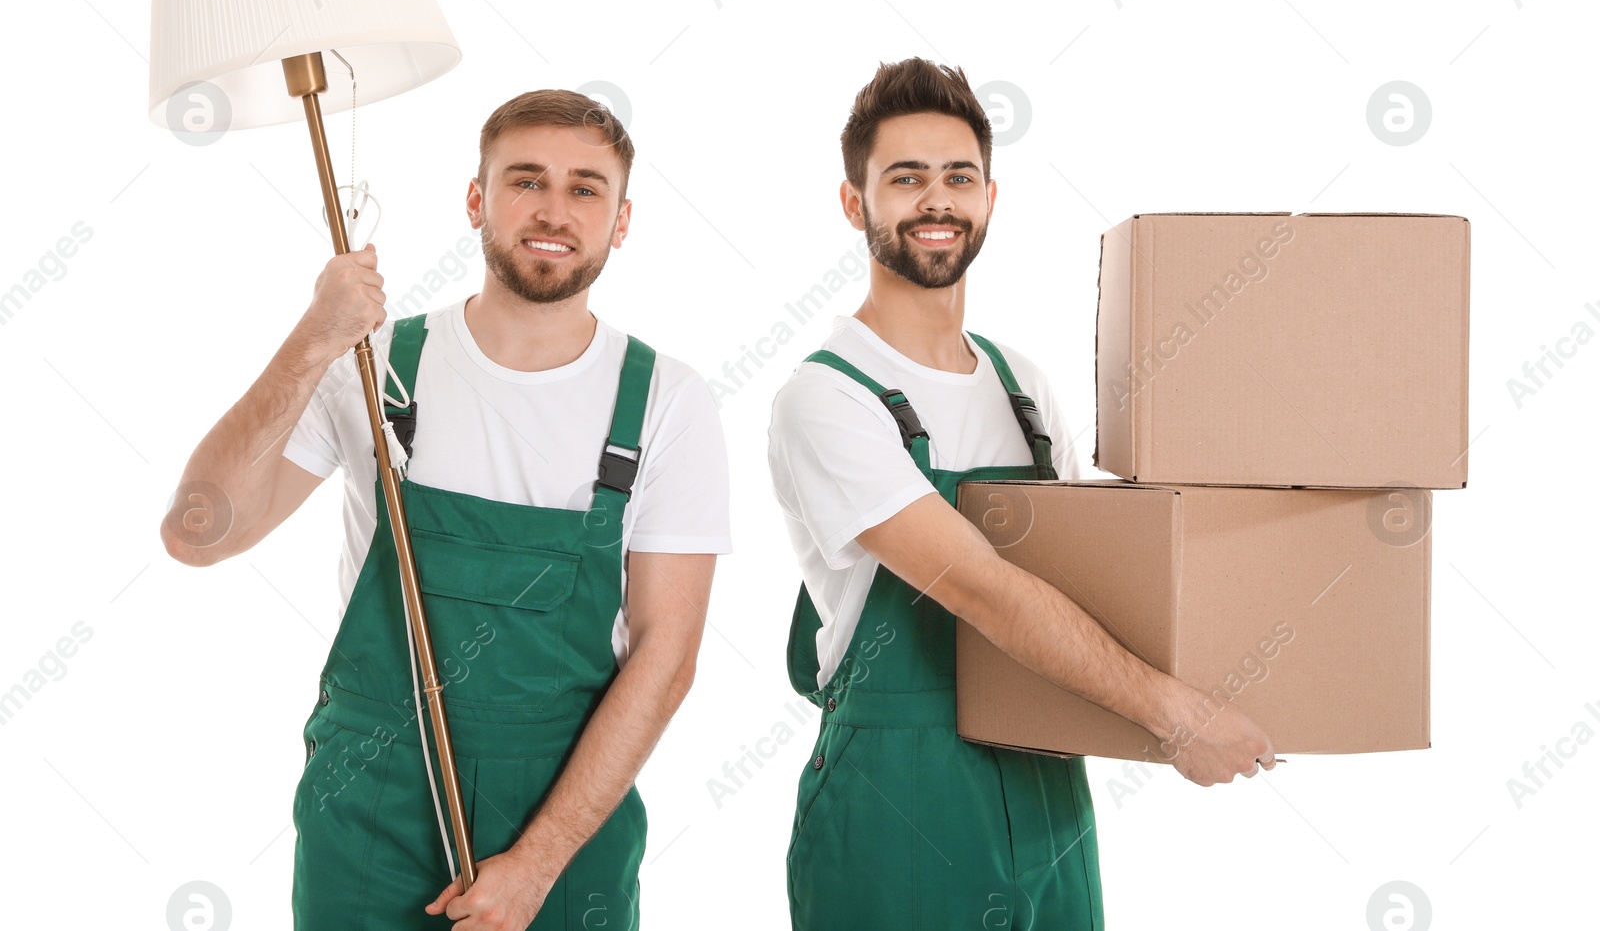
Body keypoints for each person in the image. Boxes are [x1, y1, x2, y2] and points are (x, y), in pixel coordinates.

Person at [163, 90, 731, 929]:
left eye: (585, 189)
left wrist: (536, 866)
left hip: (565, 828)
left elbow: (667, 658)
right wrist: (311, 342)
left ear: (621, 219)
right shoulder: (377, 363)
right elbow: (197, 533)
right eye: (526, 180)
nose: (554, 209)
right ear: (476, 199)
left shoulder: (665, 404)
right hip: (369, 808)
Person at [767, 58, 1276, 930]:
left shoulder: (1022, 387)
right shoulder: (828, 396)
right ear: (855, 204)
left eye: (959, 177)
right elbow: (977, 588)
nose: (937, 200)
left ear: (990, 199)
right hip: (900, 808)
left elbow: (1115, 572)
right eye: (906, 178)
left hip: (1050, 791)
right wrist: (1172, 715)